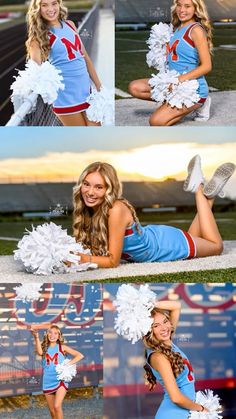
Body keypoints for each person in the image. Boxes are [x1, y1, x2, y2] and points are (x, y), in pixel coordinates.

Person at [72, 156, 235, 268]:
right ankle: (210, 196)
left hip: (163, 247)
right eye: (86, 184)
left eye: (99, 187)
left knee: (216, 247)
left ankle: (198, 187)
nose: (90, 192)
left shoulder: (115, 209)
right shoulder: (89, 210)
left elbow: (113, 261)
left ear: (109, 189)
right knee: (198, 239)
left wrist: (83, 259)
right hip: (157, 237)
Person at [128, 0, 212, 126]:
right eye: (179, 5)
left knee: (156, 122)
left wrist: (179, 80)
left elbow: (207, 66)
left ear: (196, 8)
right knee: (134, 87)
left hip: (190, 87)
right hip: (171, 81)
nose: (182, 10)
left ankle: (198, 103)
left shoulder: (196, 30)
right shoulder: (177, 28)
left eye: (187, 6)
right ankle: (176, 105)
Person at [26, 0, 102, 126]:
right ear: (37, 9)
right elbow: (35, 71)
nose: (50, 9)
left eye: (54, 3)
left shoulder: (70, 25)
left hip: (87, 92)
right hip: (65, 97)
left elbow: (85, 58)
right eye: (44, 5)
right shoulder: (37, 37)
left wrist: (99, 87)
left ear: (59, 4)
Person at [143, 301, 209, 417]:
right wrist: (201, 408)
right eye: (156, 326)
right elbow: (176, 398)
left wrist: (149, 303)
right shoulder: (158, 357)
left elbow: (176, 306)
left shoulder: (168, 343)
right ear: (149, 331)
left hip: (185, 412)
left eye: (165, 321)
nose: (164, 328)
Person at [31, 324, 84, 419]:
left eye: (56, 333)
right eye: (50, 333)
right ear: (47, 335)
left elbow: (79, 355)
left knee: (57, 406)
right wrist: (36, 336)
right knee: (52, 411)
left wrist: (67, 365)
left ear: (59, 336)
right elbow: (39, 352)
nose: (53, 335)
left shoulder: (62, 347)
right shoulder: (44, 348)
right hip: (47, 381)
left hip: (60, 380)